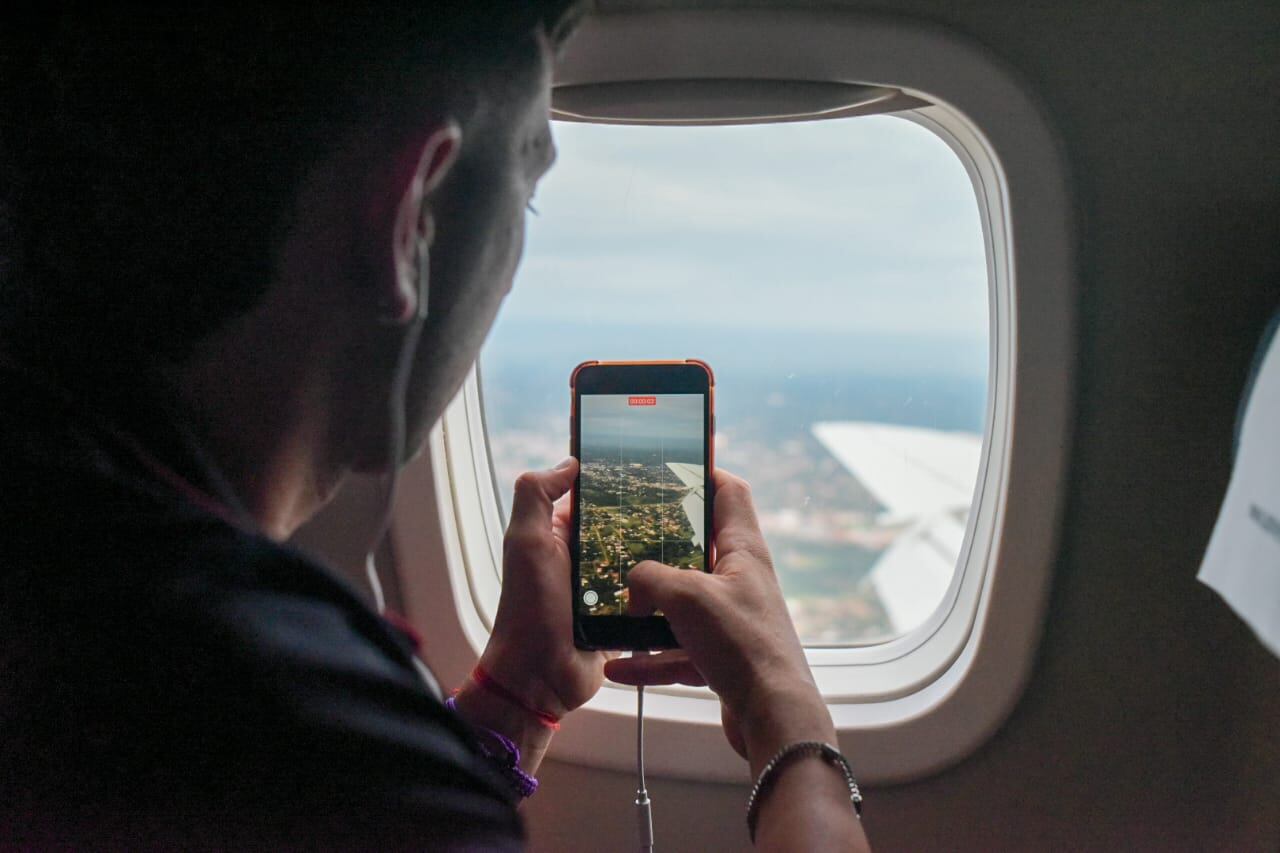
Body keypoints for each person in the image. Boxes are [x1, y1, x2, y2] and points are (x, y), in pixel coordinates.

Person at [0, 7, 869, 850]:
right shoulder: (286, 730)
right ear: (409, 217)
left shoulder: (68, 541)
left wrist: (520, 694)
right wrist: (786, 712)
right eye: (526, 198)